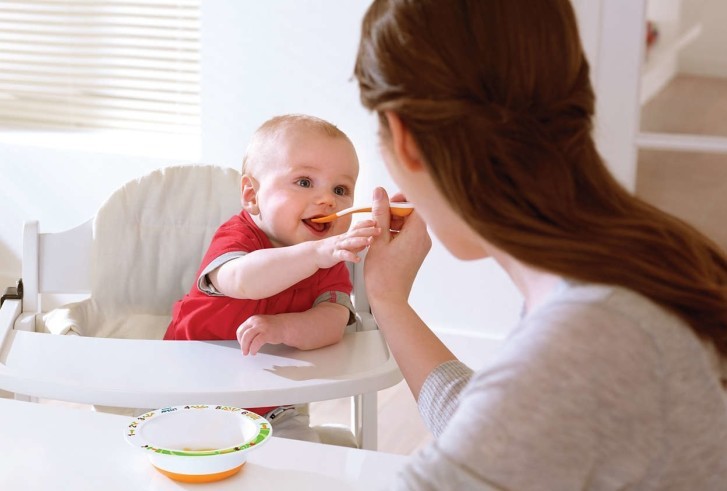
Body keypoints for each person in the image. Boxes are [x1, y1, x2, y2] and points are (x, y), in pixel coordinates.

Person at [353, 0, 727, 489]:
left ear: (403, 137)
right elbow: (512, 435)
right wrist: (387, 297)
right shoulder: (650, 256)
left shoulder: (592, 336)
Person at [164, 114, 379, 442]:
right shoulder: (238, 237)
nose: (327, 200)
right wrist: (317, 255)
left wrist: (283, 328)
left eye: (341, 189)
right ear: (251, 195)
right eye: (305, 182)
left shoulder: (328, 259)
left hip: (272, 406)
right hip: (185, 392)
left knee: (301, 453)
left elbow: (333, 321)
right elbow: (243, 279)